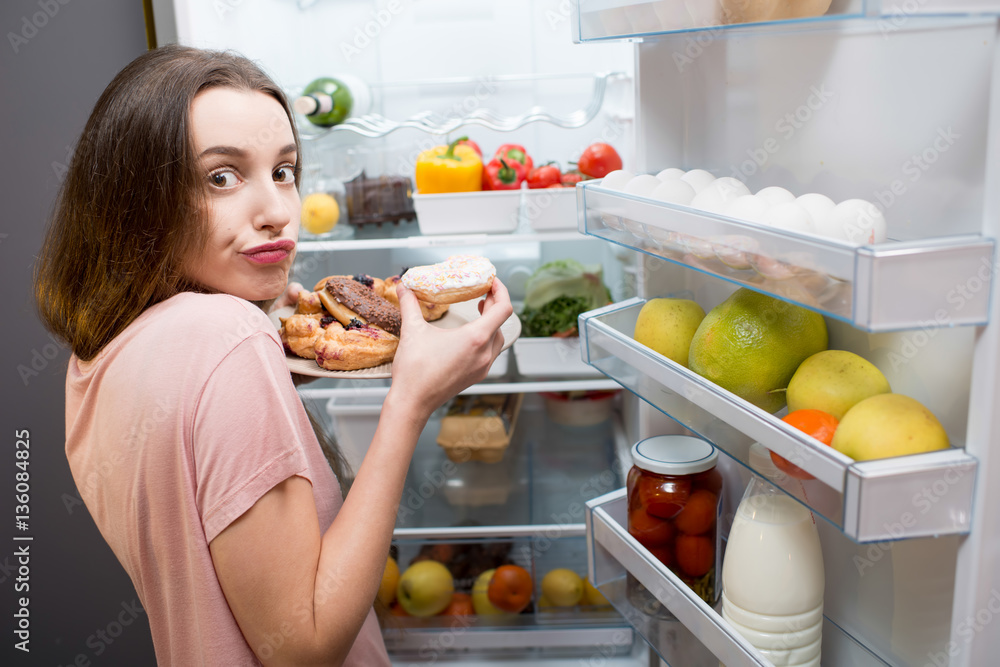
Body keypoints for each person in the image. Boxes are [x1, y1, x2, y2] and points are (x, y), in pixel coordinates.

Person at [34, 44, 512, 665]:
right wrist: (411, 402)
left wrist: (274, 363)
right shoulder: (227, 338)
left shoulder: (101, 352)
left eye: (283, 170)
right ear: (136, 198)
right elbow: (305, 646)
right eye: (221, 177)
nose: (278, 213)